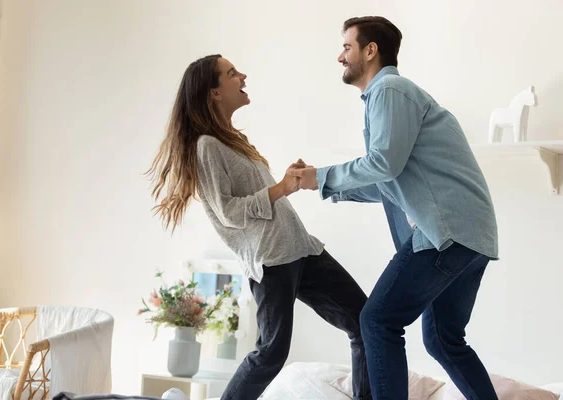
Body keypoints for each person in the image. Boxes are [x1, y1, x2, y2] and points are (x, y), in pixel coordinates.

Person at [289, 16, 499, 400]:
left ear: (370, 51)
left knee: (377, 320)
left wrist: (320, 176)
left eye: (346, 47)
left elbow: (383, 164)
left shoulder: (390, 90)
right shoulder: (392, 97)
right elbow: (389, 183)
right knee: (443, 339)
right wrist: (322, 185)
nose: (340, 56)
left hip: (445, 234)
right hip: (471, 237)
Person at [147, 54, 372, 400]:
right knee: (271, 352)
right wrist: (280, 187)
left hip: (300, 248)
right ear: (214, 93)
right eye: (232, 73)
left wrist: (285, 183)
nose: (243, 76)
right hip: (272, 260)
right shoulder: (206, 147)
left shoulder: (231, 141)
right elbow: (229, 213)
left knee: (364, 321)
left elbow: (257, 200)